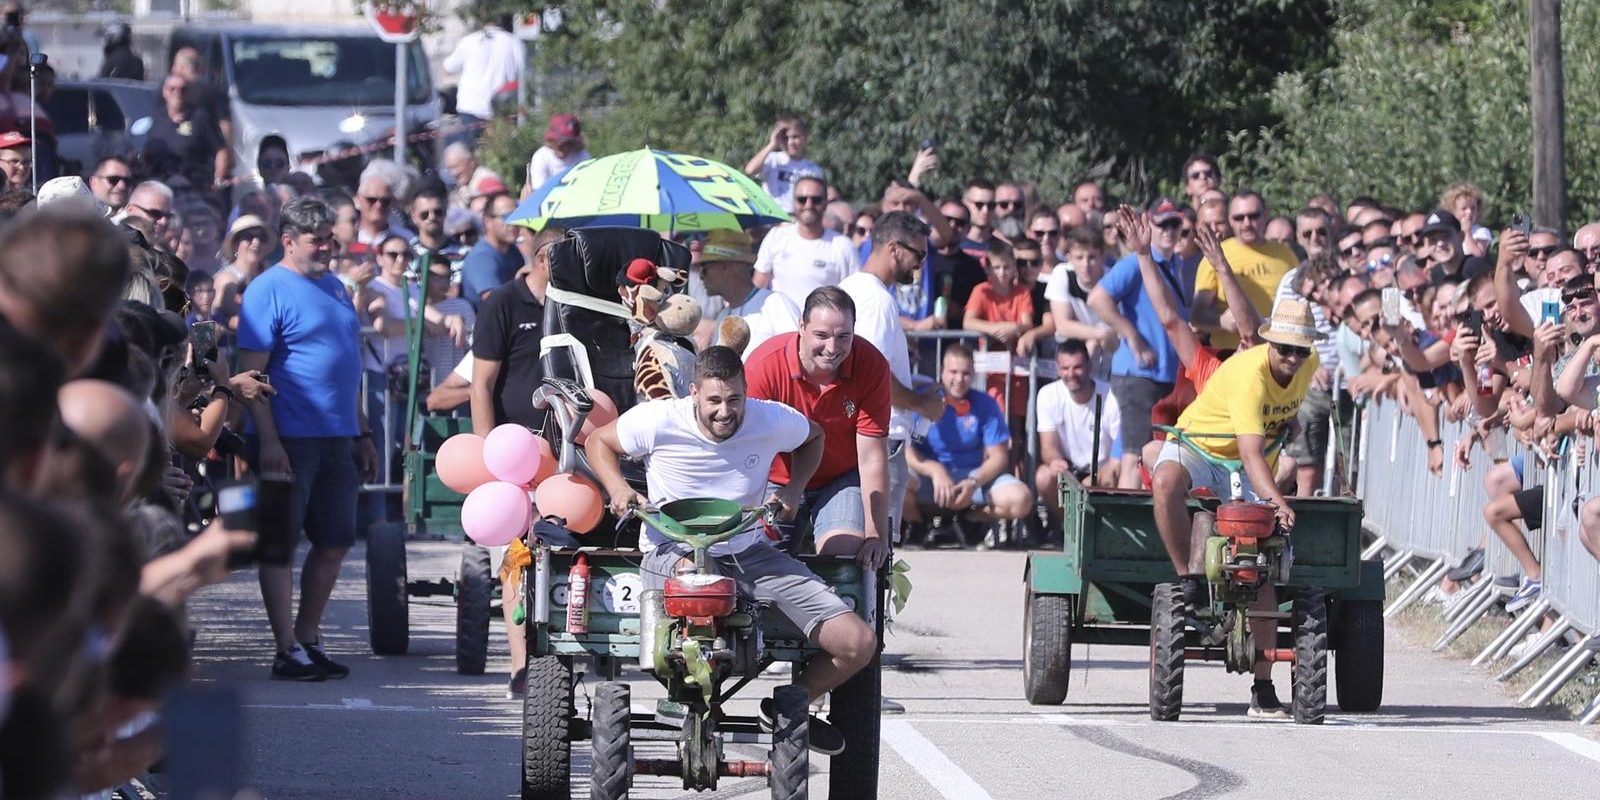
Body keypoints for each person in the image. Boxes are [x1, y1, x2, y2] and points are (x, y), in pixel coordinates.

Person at [587, 345, 873, 756]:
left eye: (735, 399)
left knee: (857, 643)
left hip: (748, 550)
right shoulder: (659, 419)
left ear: (746, 393)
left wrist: (792, 488)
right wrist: (618, 488)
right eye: (714, 401)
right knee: (697, 583)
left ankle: (788, 706)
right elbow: (599, 440)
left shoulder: (768, 417)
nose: (725, 411)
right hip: (674, 547)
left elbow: (814, 437)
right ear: (694, 394)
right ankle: (681, 691)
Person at [1151, 299, 1323, 719]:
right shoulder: (1251, 377)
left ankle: (1263, 690)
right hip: (1200, 445)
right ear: (1269, 343)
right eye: (1285, 348)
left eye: (1301, 350)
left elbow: (1279, 427)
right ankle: (1186, 577)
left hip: (1251, 457)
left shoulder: (1309, 365)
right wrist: (1278, 501)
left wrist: (1292, 441)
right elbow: (1249, 454)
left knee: (1257, 557)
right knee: (1166, 481)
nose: (1293, 358)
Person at [236, 197, 379, 681]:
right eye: (316, 239)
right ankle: (284, 649)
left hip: (338, 437)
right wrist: (269, 440)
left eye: (328, 238)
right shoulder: (265, 290)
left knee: (335, 541)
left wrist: (362, 432)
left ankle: (308, 636)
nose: (325, 247)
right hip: (289, 438)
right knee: (279, 544)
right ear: (289, 240)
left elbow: (348, 365)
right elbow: (250, 376)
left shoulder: (337, 288)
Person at [468, 225, 560, 696]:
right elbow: (481, 385)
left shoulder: (574, 307)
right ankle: (522, 665)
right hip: (515, 450)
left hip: (566, 451)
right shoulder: (502, 303)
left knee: (562, 554)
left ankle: (562, 655)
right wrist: (490, 456)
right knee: (519, 557)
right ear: (544, 259)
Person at [744, 286, 894, 566]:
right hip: (776, 479)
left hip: (840, 479)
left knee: (844, 557)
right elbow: (744, 448)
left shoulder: (871, 365)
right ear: (801, 326)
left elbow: (872, 456)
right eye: (821, 335)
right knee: (758, 562)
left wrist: (876, 535)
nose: (832, 348)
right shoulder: (763, 366)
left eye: (843, 337)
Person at [839, 212, 947, 539]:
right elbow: (873, 377)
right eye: (919, 254)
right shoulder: (876, 300)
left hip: (866, 435)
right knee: (877, 549)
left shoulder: (851, 289)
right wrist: (922, 404)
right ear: (895, 249)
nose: (922, 264)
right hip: (881, 439)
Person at [1087, 198, 1189, 488]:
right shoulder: (1135, 262)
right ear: (1149, 224)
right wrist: (1131, 335)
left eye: (1175, 224)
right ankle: (1126, 529)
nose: (1169, 230)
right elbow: (1097, 298)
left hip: (1163, 375)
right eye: (1162, 224)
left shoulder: (1173, 263)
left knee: (1153, 455)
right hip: (1139, 375)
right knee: (1134, 455)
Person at [906, 344, 1034, 544]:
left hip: (973, 479)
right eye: (953, 372)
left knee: (1021, 499)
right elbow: (908, 451)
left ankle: (971, 520)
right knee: (894, 481)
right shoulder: (924, 399)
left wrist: (974, 481)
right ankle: (919, 524)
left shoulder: (985, 404)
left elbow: (999, 456)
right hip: (930, 479)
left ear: (973, 374)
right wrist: (935, 470)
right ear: (942, 371)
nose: (959, 379)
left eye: (965, 373)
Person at [1190, 191, 1299, 352]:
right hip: (1232, 355)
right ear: (1229, 220)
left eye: (1253, 216)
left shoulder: (1285, 254)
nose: (1247, 223)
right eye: (1239, 218)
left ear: (1265, 215)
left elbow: (1302, 303)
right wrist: (1221, 322)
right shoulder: (1215, 254)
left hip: (1279, 354)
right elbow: (1197, 316)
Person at [1034, 339, 1120, 520]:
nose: (1071, 374)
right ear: (1057, 369)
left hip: (1103, 470)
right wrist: (1056, 462)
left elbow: (1118, 452)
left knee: (1105, 479)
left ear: (1089, 366)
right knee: (1043, 476)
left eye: (1077, 367)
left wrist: (1099, 476)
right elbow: (1048, 447)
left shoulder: (1111, 395)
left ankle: (1095, 529)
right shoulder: (1047, 395)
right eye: (1065, 368)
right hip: (1069, 469)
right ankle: (1066, 526)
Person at [753, 176, 860, 309]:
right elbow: (758, 287)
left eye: (816, 200)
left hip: (824, 328)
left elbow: (855, 296)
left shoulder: (843, 246)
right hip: (781, 327)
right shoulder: (776, 237)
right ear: (793, 203)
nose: (808, 205)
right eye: (802, 199)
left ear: (826, 203)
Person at [696, 229, 798, 357]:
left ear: (725, 267)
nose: (701, 277)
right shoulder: (722, 317)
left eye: (704, 269)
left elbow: (796, 353)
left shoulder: (775, 304)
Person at [442, 13, 524, 143]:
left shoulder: (469, 41)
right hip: (503, 110)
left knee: (468, 151)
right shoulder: (513, 42)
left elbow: (449, 67)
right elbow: (524, 73)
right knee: (501, 153)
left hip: (471, 107)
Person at [143, 74, 227, 190]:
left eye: (183, 90)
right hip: (160, 185)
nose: (177, 94)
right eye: (172, 89)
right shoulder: (158, 117)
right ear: (164, 92)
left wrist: (218, 180)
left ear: (188, 93)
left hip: (192, 187)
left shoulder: (200, 117)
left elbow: (221, 151)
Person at [743, 115, 824, 212]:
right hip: (772, 217)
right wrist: (772, 144)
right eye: (785, 138)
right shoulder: (772, 159)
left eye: (795, 137)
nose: (790, 142)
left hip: (796, 219)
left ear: (805, 138)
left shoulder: (813, 170)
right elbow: (750, 170)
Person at [459, 192, 524, 309]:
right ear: (488, 222)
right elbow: (496, 303)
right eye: (507, 217)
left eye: (517, 215)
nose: (514, 223)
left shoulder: (512, 251)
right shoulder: (482, 257)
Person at [212, 214, 268, 329]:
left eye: (261, 237)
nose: (256, 242)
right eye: (249, 237)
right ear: (235, 244)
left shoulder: (269, 273)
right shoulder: (225, 280)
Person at [526, 113, 589, 192]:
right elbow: (539, 192)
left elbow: (586, 186)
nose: (564, 147)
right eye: (560, 142)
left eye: (569, 143)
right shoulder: (541, 157)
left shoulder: (582, 156)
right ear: (552, 141)